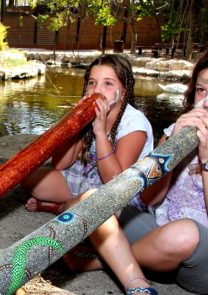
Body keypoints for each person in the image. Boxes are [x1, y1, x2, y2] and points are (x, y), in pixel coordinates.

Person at [22, 54, 157, 294]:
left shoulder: (134, 123)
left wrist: (100, 132)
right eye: (92, 82)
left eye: (108, 83)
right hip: (84, 179)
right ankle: (71, 207)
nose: (97, 89)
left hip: (117, 194)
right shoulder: (88, 112)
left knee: (91, 202)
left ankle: (63, 208)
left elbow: (116, 182)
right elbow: (61, 164)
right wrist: (75, 124)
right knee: (32, 176)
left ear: (123, 91)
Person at [119, 37, 208, 294]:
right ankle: (119, 256)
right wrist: (171, 149)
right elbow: (150, 197)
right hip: (160, 232)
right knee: (95, 202)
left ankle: (112, 259)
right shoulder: (177, 131)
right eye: (201, 90)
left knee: (184, 234)